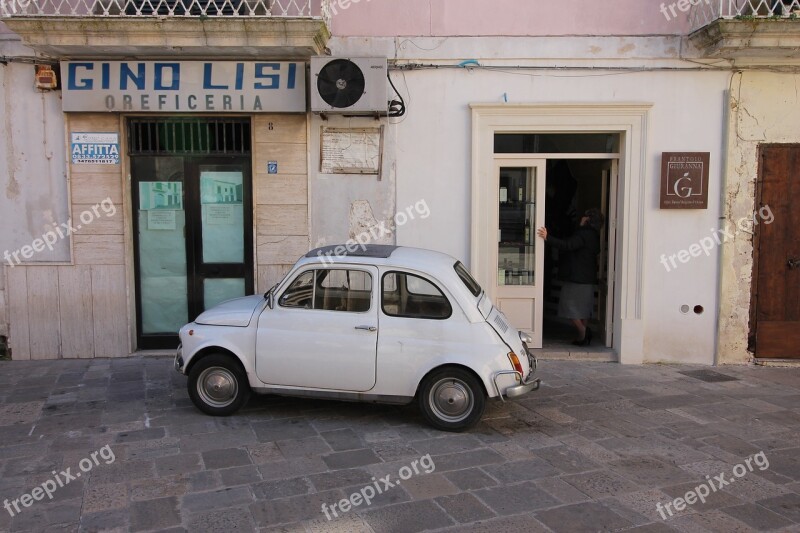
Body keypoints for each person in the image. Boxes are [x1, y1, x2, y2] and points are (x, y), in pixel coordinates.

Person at [536, 208, 603, 346]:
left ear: (587, 219)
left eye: (584, 216)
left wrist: (548, 237)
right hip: (588, 277)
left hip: (576, 277)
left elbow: (567, 245)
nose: (581, 218)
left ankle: (583, 331)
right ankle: (582, 338)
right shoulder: (595, 236)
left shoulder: (583, 234)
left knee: (568, 306)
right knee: (584, 309)